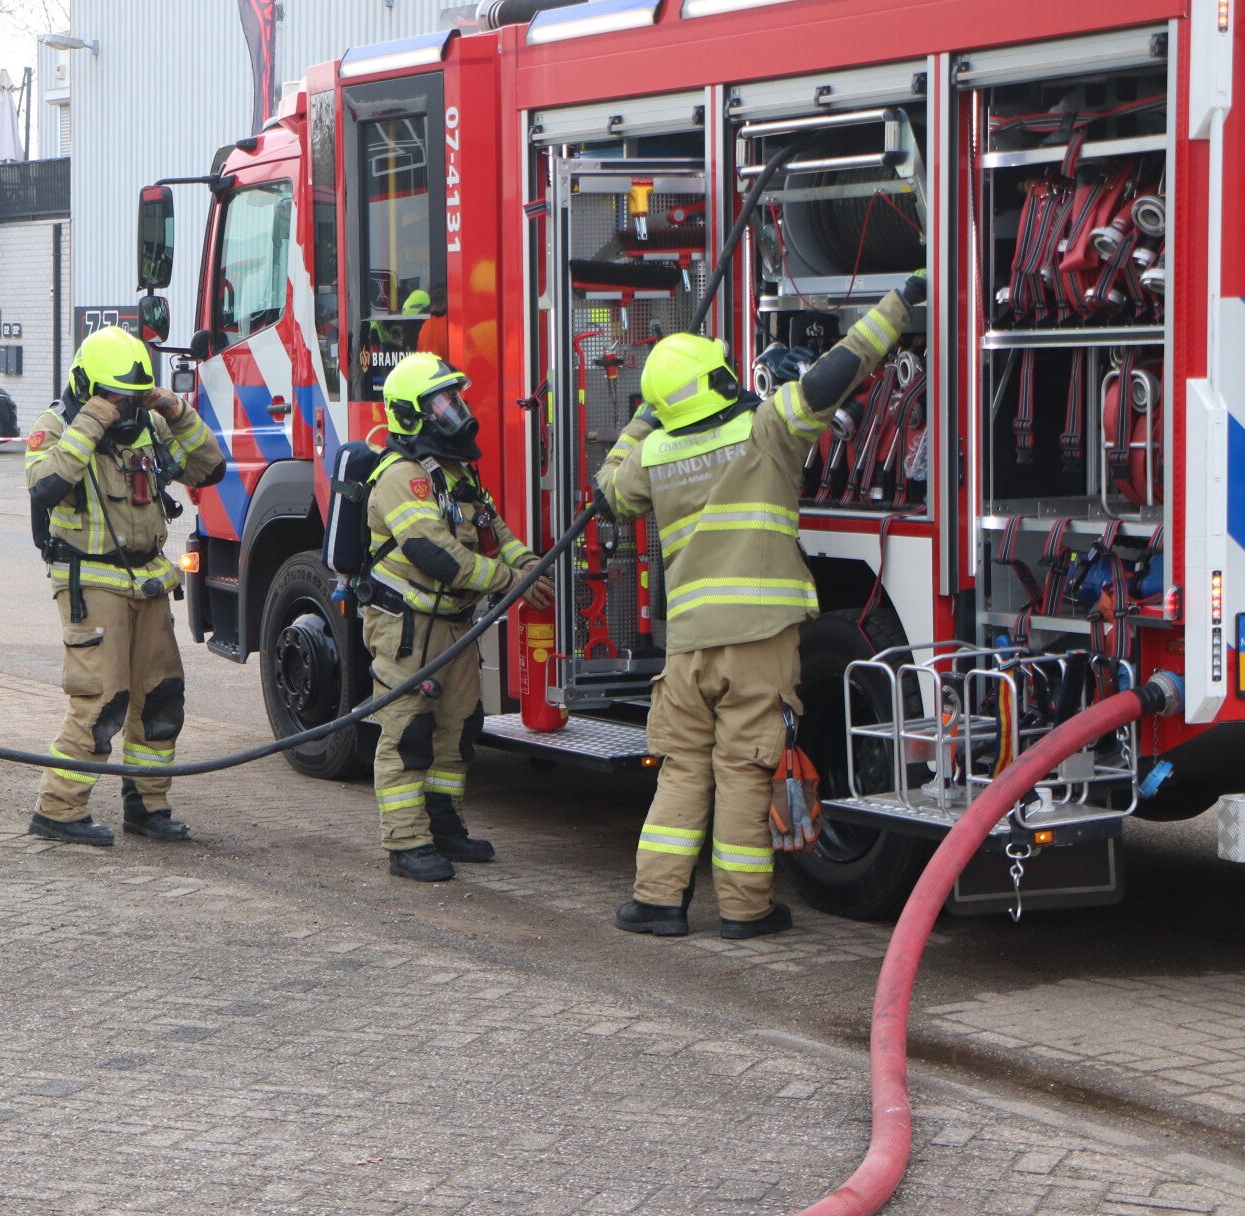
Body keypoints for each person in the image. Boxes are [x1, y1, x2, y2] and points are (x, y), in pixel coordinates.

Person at [596, 275, 925, 939]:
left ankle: (657, 902)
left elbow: (608, 491)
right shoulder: (765, 429)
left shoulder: (654, 454)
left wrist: (646, 416)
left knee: (683, 769)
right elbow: (836, 372)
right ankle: (745, 910)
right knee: (745, 769)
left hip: (688, 647)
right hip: (758, 641)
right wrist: (898, 306)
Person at [23, 326, 226, 846]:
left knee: (161, 699)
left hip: (149, 580)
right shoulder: (57, 426)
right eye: (116, 397)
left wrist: (175, 411)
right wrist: (92, 421)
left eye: (135, 397)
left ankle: (147, 806)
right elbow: (46, 486)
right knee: (101, 701)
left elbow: (209, 469)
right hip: (91, 581)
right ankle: (59, 810)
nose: (126, 409)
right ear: (86, 387)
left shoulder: (150, 426)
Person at [361, 353, 553, 881]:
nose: (455, 413)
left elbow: (494, 531)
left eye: (454, 401)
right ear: (409, 414)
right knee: (408, 733)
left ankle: (444, 826)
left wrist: (527, 563)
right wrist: (510, 581)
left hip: (454, 626)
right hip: (408, 628)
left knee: (458, 728)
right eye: (441, 404)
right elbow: (437, 556)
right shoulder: (401, 476)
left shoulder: (455, 472)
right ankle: (407, 843)